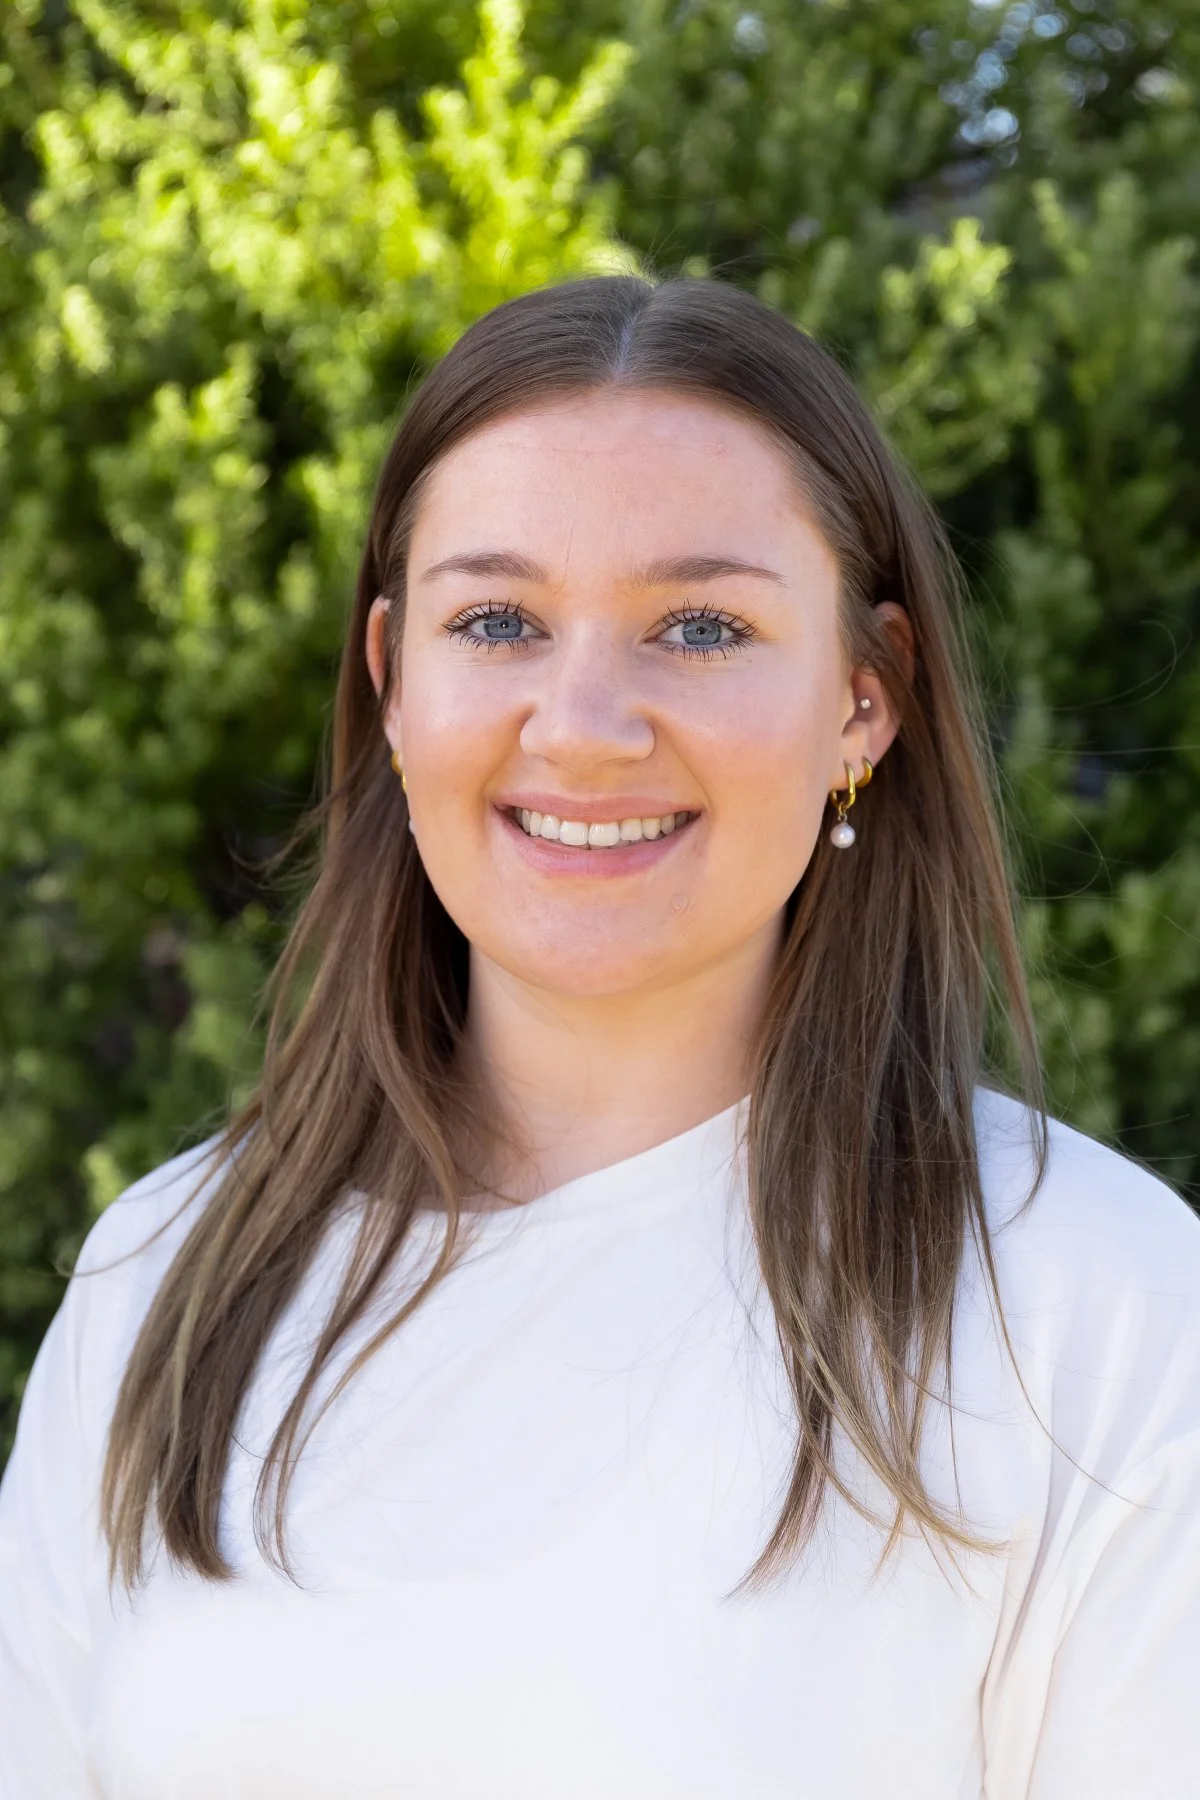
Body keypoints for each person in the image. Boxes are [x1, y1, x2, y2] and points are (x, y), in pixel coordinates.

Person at [1, 275, 1198, 1800]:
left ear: (863, 703)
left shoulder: (1092, 1310)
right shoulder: (161, 1275)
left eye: (700, 625)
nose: (581, 722)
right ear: (391, 684)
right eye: (496, 620)